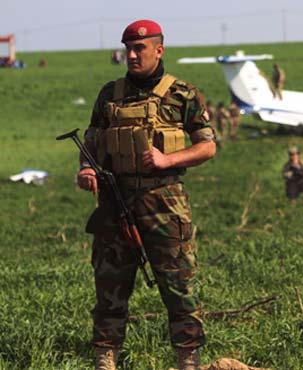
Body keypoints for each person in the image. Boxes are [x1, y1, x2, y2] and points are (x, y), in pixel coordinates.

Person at [76, 19, 216, 370]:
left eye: (140, 48)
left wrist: (169, 158)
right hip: (116, 202)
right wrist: (87, 168)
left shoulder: (182, 93)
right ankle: (105, 357)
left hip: (164, 202)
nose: (133, 55)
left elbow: (207, 146)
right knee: (109, 284)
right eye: (128, 49)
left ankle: (188, 359)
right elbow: (93, 138)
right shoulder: (110, 94)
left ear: (159, 49)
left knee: (178, 284)